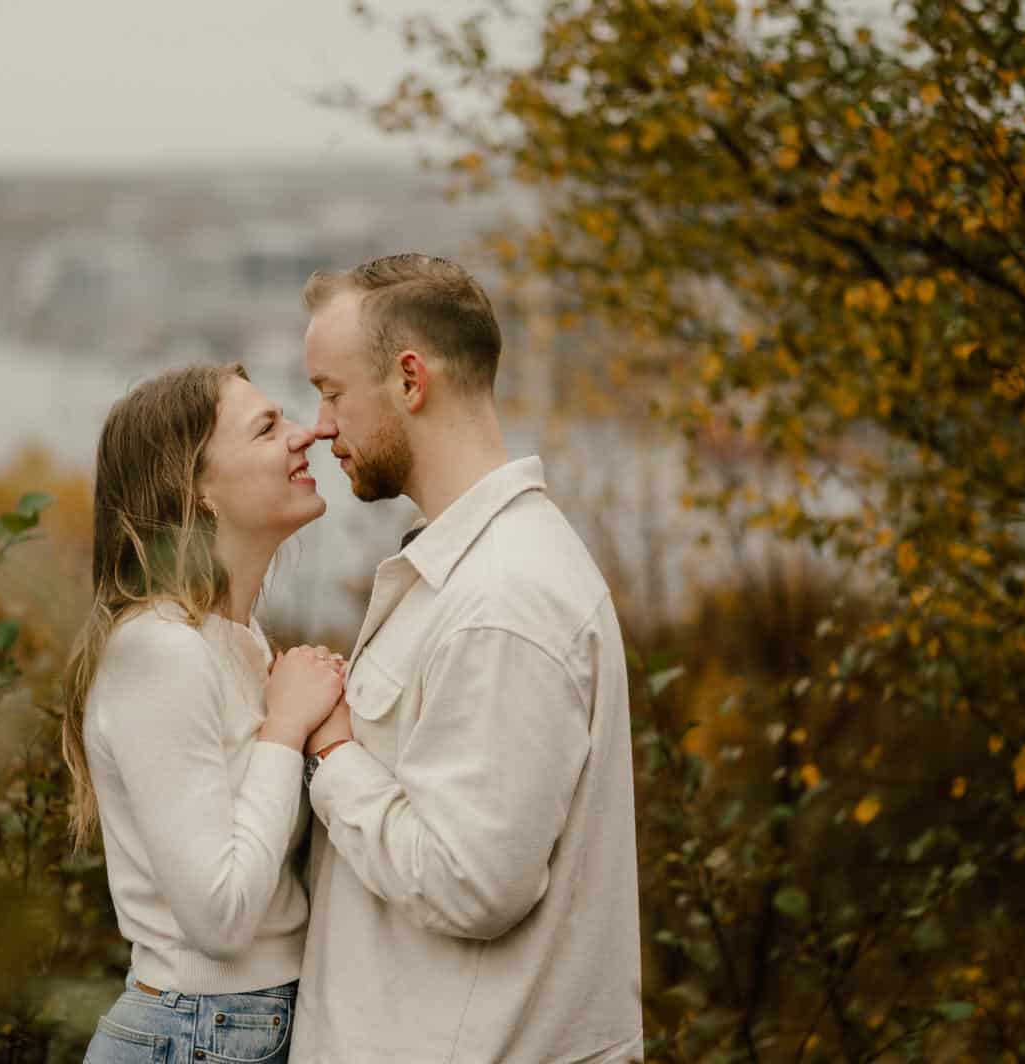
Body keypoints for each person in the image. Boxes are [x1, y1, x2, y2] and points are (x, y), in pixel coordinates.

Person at [293, 254, 644, 1062]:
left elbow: (472, 882)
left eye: (331, 392)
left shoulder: (501, 599)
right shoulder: (469, 573)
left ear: (410, 380)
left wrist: (333, 750)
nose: (318, 425)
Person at [60, 363, 344, 1064]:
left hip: (235, 1031)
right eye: (268, 428)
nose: (306, 435)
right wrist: (285, 728)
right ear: (198, 489)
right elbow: (218, 917)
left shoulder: (236, 644)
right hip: (198, 1035)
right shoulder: (160, 652)